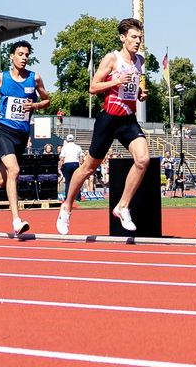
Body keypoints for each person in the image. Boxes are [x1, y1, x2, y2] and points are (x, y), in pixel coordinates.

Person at [57, 18, 152, 236]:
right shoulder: (112, 58)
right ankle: (67, 207)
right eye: (133, 37)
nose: (137, 42)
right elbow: (93, 87)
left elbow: (131, 88)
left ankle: (122, 206)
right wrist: (115, 82)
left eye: (140, 38)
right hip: (108, 119)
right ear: (123, 38)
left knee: (143, 159)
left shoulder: (140, 61)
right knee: (88, 168)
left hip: (128, 120)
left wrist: (139, 94)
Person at [0, 41, 52, 234]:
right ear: (12, 56)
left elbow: (47, 100)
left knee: (1, 180)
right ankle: (16, 220)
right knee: (14, 170)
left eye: (27, 55)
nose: (24, 58)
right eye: (20, 54)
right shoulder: (0, 77)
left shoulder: (34, 78)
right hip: (3, 131)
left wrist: (36, 106)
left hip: (21, 134)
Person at [58, 131, 84, 206]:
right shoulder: (77, 147)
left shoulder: (65, 147)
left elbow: (62, 158)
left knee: (68, 182)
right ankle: (78, 197)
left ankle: (67, 198)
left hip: (67, 164)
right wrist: (81, 165)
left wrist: (60, 166)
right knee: (77, 181)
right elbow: (81, 157)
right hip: (75, 163)